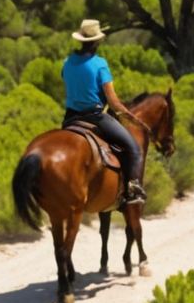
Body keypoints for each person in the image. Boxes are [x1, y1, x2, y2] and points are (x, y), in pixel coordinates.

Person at [61, 18, 147, 206]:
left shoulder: (67, 63)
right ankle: (133, 189)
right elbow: (114, 103)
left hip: (69, 119)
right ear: (97, 41)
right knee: (134, 149)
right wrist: (131, 118)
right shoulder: (100, 64)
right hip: (95, 117)